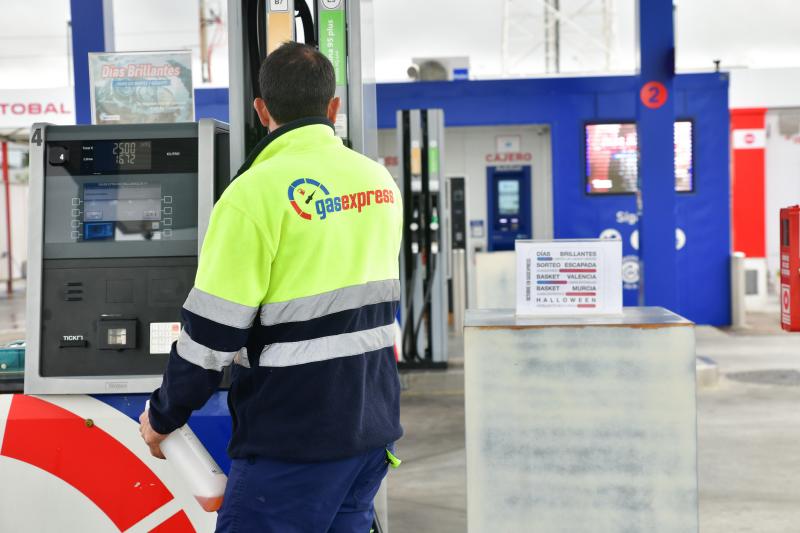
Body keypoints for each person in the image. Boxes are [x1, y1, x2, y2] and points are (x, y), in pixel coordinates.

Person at [139, 41, 403, 532]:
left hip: (294, 440)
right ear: (333, 107)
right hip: (370, 427)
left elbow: (210, 336)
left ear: (261, 110)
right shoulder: (378, 181)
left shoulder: (252, 193)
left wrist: (164, 413)